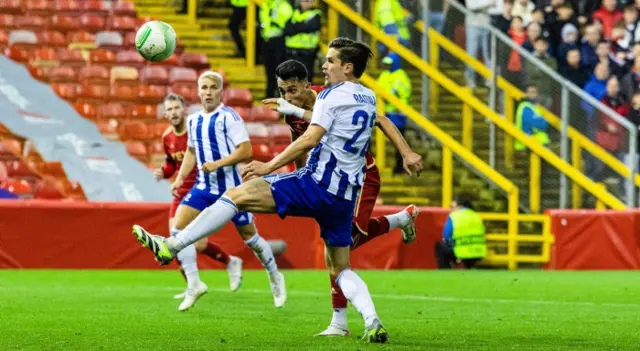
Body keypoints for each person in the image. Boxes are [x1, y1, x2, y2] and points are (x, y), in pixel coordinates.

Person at [132, 37, 392, 343]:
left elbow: (309, 140)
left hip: (317, 183)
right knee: (340, 267)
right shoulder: (368, 97)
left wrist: (269, 166)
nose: (324, 65)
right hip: (344, 196)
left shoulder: (329, 97)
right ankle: (371, 319)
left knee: (236, 196)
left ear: (347, 67)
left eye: (331, 61)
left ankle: (172, 247)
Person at [263, 59, 423, 336]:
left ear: (305, 84)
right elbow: (300, 143)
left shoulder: (330, 96)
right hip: (327, 180)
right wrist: (304, 184)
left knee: (347, 241)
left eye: (291, 90)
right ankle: (339, 322)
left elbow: (380, 119)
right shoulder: (291, 111)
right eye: (282, 92)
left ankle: (400, 218)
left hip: (361, 176)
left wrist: (406, 152)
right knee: (334, 252)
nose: (286, 97)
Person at [148, 71, 287, 312]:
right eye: (204, 87)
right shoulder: (193, 121)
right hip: (202, 188)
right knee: (178, 229)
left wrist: (218, 163)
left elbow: (245, 150)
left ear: (221, 92)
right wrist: (180, 178)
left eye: (213, 87)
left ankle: (275, 276)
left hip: (232, 192)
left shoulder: (229, 117)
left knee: (252, 239)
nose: (208, 92)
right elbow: (191, 152)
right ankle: (194, 283)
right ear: (198, 91)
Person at [154, 93, 243, 304]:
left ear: (184, 109)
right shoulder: (167, 137)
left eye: (177, 108)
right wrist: (164, 173)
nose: (174, 112)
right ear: (165, 113)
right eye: (170, 109)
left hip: (200, 189)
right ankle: (191, 287)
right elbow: (171, 164)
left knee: (198, 244)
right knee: (175, 242)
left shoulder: (196, 130)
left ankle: (231, 261)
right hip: (180, 192)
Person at [376, 53, 412, 174]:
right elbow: (377, 89)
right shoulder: (384, 75)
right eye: (386, 63)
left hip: (397, 114)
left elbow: (401, 92)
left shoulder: (401, 76)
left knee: (399, 142)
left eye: (389, 63)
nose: (387, 66)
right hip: (385, 113)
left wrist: (389, 94)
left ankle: (400, 166)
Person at [434, 194, 486, 269]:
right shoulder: (476, 215)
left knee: (440, 246)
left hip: (462, 251)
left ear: (458, 205)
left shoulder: (454, 216)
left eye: (452, 207)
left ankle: (445, 271)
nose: (451, 209)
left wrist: (456, 243)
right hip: (479, 251)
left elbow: (446, 236)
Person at [260, 0, 293, 98]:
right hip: (267, 41)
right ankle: (269, 94)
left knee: (278, 71)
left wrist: (280, 26)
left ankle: (280, 95)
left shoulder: (283, 5)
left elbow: (289, 22)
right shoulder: (265, 4)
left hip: (278, 41)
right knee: (269, 71)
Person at [284, 0, 321, 82]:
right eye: (305, 1)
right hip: (291, 52)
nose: (307, 3)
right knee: (291, 78)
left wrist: (295, 27)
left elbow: (308, 27)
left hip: (306, 53)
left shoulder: (315, 14)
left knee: (306, 78)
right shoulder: (294, 13)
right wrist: (301, 26)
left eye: (310, 1)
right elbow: (286, 29)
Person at [514, 84, 550, 152]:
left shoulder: (534, 107)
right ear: (525, 94)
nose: (532, 95)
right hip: (529, 143)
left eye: (534, 92)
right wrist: (545, 122)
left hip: (535, 142)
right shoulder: (525, 106)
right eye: (530, 92)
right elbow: (536, 123)